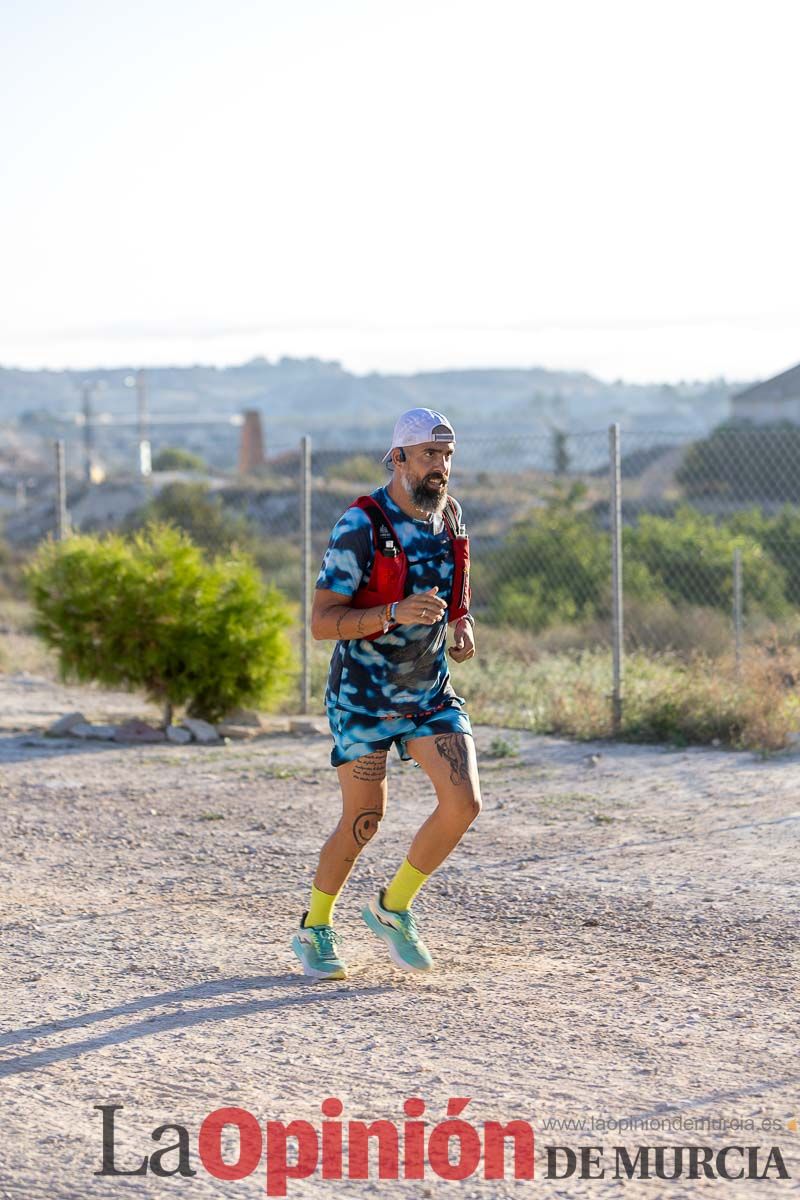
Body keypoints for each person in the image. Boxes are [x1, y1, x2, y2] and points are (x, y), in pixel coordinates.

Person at [291, 408, 482, 979]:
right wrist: (392, 614)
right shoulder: (361, 525)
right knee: (364, 819)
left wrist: (461, 624)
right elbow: (322, 622)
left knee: (464, 802)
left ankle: (393, 908)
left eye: (447, 456)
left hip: (428, 691)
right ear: (398, 458)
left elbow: (456, 590)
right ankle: (315, 926)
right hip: (364, 697)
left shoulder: (449, 517)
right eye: (429, 455)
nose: (440, 467)